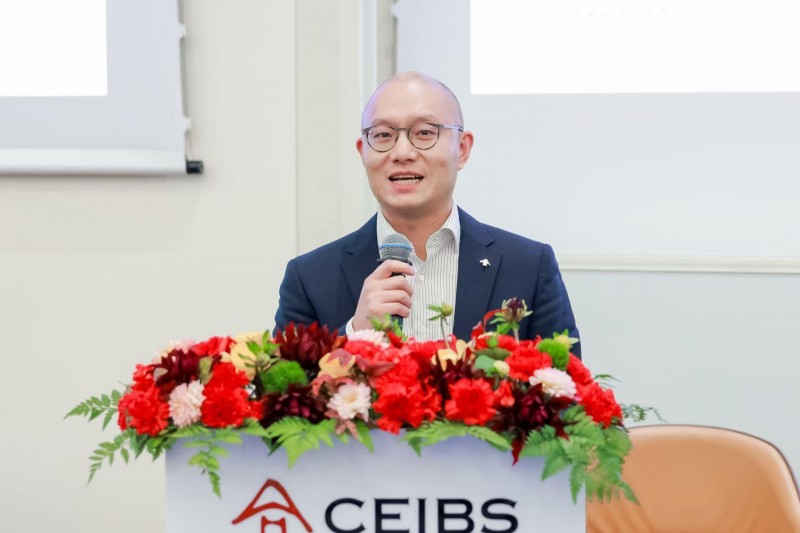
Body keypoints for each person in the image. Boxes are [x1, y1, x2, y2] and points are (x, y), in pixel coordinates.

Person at [274, 72, 580, 356]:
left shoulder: (528, 267)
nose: (402, 153)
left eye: (424, 132)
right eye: (383, 135)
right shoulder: (309, 278)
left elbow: (565, 389)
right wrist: (355, 333)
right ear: (362, 151)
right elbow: (281, 393)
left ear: (462, 149)